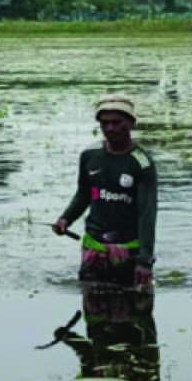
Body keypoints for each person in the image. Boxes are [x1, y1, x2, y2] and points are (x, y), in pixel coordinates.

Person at [52, 94, 158, 290]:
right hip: (94, 246)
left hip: (129, 249)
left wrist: (144, 261)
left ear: (131, 123)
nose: (110, 128)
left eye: (117, 122)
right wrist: (65, 219)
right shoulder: (90, 156)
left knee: (133, 312)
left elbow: (147, 214)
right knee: (94, 311)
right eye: (104, 123)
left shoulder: (142, 163)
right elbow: (84, 194)